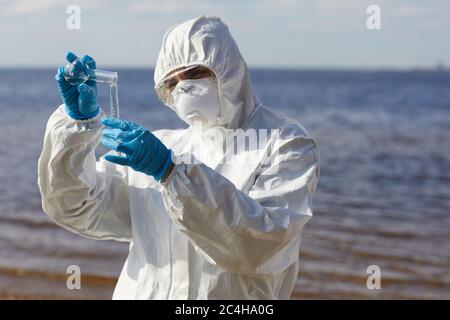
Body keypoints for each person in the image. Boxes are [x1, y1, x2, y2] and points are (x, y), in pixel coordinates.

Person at [38, 15, 320, 299]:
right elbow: (75, 207)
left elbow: (262, 245)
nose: (183, 87)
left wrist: (173, 173)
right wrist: (78, 130)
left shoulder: (284, 142)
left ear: (228, 68)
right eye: (172, 82)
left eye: (194, 73)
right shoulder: (159, 146)